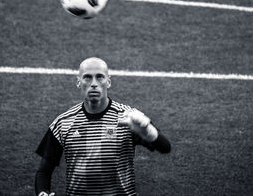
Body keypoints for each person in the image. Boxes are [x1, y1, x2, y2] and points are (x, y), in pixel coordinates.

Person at [35, 57, 171, 196]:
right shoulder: (63, 123)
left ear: (108, 82)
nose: (94, 84)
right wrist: (42, 193)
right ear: (78, 82)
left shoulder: (129, 118)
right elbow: (44, 171)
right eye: (87, 77)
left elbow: (165, 147)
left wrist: (147, 131)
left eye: (99, 77)